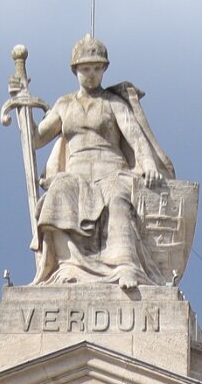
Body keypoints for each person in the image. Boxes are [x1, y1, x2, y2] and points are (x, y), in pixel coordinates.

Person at [27, 34, 176, 287]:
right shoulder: (64, 105)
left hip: (112, 170)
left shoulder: (114, 103)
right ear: (75, 70)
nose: (92, 74)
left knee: (117, 199)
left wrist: (150, 166)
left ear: (104, 69)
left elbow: (136, 138)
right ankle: (69, 266)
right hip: (75, 173)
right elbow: (36, 139)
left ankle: (124, 266)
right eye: (86, 69)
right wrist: (26, 109)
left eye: (97, 68)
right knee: (57, 194)